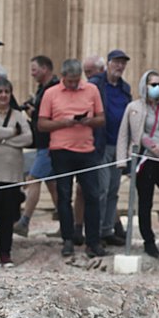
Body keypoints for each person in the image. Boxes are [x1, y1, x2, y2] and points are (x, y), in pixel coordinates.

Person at [37, 58, 106, 259]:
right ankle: (68, 239)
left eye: (77, 80)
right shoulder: (51, 93)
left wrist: (89, 120)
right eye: (70, 81)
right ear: (63, 77)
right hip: (61, 151)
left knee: (93, 196)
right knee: (64, 197)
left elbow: (102, 119)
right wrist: (63, 123)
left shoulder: (91, 90)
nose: (74, 84)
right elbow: (42, 124)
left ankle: (93, 241)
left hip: (87, 151)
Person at [116, 69, 159, 259]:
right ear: (145, 86)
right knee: (145, 202)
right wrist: (122, 160)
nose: (157, 88)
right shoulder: (133, 107)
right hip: (144, 160)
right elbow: (128, 133)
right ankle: (149, 241)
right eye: (153, 84)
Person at [87, 49, 132, 247]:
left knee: (114, 189)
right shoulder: (96, 84)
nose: (119, 66)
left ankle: (107, 230)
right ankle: (95, 232)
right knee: (102, 189)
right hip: (101, 144)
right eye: (116, 62)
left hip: (120, 144)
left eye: (123, 63)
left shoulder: (125, 88)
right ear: (108, 63)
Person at [0, 78, 33, 267]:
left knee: (8, 216)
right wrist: (14, 133)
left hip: (13, 174)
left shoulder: (18, 115)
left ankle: (6, 252)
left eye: (6, 91)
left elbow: (28, 137)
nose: (3, 95)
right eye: (0, 92)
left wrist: (6, 138)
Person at [14, 55, 61, 238]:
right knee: (52, 184)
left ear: (45, 69)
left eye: (34, 69)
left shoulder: (54, 89)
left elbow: (53, 115)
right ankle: (67, 225)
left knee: (33, 178)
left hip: (49, 143)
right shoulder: (43, 89)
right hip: (43, 142)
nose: (31, 73)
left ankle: (24, 222)